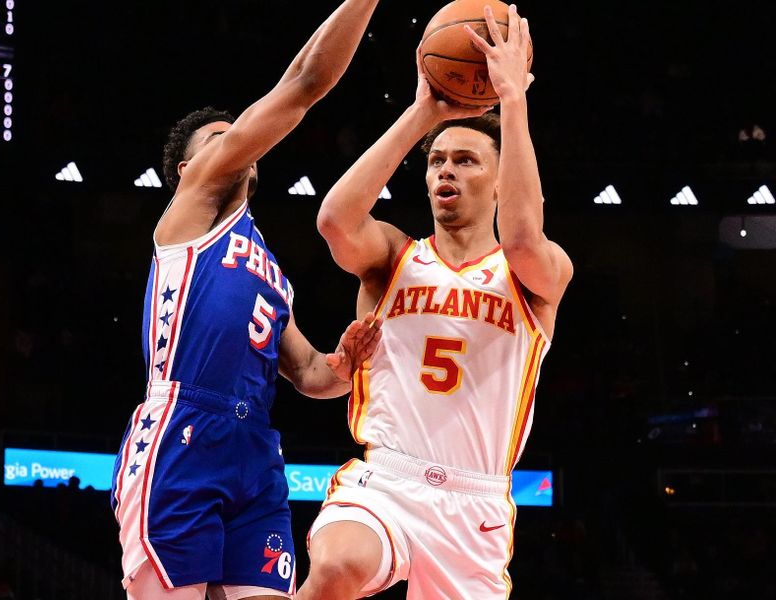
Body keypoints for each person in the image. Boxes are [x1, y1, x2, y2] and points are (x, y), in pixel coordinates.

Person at [297, 5, 573, 599]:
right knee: (336, 567)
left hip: (475, 506)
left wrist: (512, 99)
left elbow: (523, 235)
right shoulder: (394, 256)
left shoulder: (536, 273)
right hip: (387, 480)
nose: (445, 170)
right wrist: (424, 112)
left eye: (466, 160)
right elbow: (334, 220)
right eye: (436, 161)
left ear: (501, 180)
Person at [109, 1, 382, 598]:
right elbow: (305, 85)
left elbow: (310, 373)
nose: (238, 142)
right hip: (183, 429)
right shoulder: (193, 211)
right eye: (220, 139)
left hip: (255, 447)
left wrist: (343, 364)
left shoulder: (272, 270)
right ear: (188, 168)